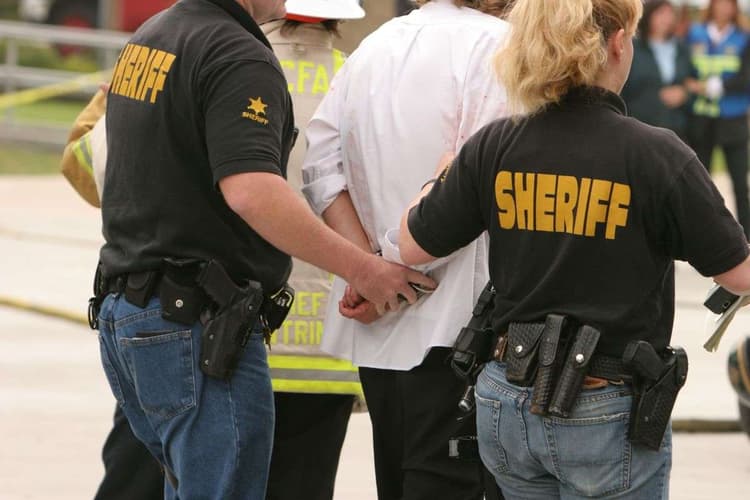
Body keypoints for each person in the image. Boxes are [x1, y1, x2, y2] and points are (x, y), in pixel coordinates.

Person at [397, 0, 750, 498]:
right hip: (605, 403)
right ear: (617, 44)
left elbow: (412, 245)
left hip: (506, 397)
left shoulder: (496, 144)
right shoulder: (656, 154)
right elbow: (739, 275)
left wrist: (439, 177)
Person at [94, 1, 434, 499]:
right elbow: (251, 190)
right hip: (198, 326)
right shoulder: (240, 55)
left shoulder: (152, 37)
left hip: (134, 313)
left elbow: (105, 169)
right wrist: (363, 269)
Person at [302, 1, 510, 499]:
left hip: (381, 323)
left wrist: (371, 271)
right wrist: (390, 270)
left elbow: (320, 167)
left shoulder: (374, 47)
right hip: (461, 325)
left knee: (395, 480)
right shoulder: (500, 48)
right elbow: (473, 183)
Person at [261, 2, 367, 499]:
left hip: (237, 338)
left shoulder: (228, 61)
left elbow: (93, 168)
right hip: (331, 342)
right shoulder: (360, 79)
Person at [685, 0, 750, 238]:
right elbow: (685, 68)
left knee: (740, 184)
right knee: (701, 184)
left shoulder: (744, 37)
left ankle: (747, 238)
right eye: (719, 3)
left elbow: (746, 76)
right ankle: (703, 237)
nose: (723, 8)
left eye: (728, 4)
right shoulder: (695, 34)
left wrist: (718, 86)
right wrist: (689, 84)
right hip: (702, 118)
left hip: (733, 118)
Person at [621, 0, 692, 139]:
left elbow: (692, 82)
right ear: (648, 16)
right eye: (661, 13)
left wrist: (684, 94)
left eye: (670, 13)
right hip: (640, 128)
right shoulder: (633, 48)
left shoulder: (682, 49)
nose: (666, 18)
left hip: (677, 129)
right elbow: (624, 88)